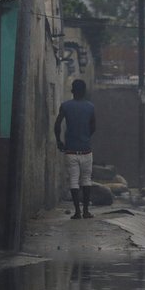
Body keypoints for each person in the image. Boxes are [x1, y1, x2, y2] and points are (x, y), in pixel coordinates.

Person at [54, 79, 96, 219]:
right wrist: (85, 136)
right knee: (86, 180)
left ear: (72, 91)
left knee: (73, 180)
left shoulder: (65, 106)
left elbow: (57, 124)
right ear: (84, 91)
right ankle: (86, 211)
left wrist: (59, 141)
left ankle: (77, 211)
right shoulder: (90, 107)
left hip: (70, 151)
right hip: (86, 150)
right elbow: (93, 127)